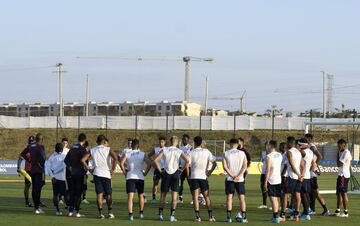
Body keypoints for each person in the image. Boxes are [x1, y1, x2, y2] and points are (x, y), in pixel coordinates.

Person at [154, 136, 190, 222]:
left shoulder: (165, 150)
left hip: (166, 173)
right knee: (174, 197)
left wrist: (160, 170)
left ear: (170, 142)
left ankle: (160, 215)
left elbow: (155, 160)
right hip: (175, 174)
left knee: (163, 195)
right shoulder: (179, 150)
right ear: (177, 143)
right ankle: (172, 216)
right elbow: (187, 160)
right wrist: (181, 169)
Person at [82, 135, 117, 219]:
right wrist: (112, 169)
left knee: (99, 194)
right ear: (104, 141)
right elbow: (115, 158)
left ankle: (100, 213)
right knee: (108, 194)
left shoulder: (93, 150)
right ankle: (110, 212)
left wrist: (89, 169)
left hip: (97, 174)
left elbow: (82, 160)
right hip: (106, 174)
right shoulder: (108, 149)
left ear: (97, 141)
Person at [120, 138, 151, 221]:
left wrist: (124, 172)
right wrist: (145, 173)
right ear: (138, 145)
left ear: (131, 145)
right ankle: (141, 213)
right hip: (140, 177)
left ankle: (130, 215)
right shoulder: (142, 154)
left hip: (130, 176)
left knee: (130, 197)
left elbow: (121, 163)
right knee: (141, 195)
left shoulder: (127, 153)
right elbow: (149, 164)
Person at [189, 136, 217, 222]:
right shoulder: (206, 151)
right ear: (201, 143)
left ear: (194, 143)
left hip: (194, 176)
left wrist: (188, 173)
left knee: (195, 197)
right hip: (203, 177)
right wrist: (210, 172)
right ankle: (210, 216)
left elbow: (188, 163)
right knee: (206, 196)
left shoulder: (191, 152)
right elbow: (214, 163)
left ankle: (197, 216)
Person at [223, 138, 248, 223]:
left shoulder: (226, 153)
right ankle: (244, 218)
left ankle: (228, 217)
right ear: (238, 144)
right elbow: (245, 166)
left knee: (229, 198)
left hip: (230, 179)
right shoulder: (242, 153)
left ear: (230, 144)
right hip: (240, 180)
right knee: (242, 198)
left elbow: (225, 167)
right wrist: (239, 176)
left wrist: (232, 176)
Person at [304, 133, 329, 216]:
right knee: (312, 193)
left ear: (309, 139)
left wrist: (314, 167)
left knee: (315, 193)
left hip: (311, 173)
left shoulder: (311, 146)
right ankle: (312, 209)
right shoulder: (308, 146)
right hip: (311, 173)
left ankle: (325, 209)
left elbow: (319, 156)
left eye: (306, 138)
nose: (304, 139)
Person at [64, 133, 88, 217]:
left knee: (72, 192)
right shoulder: (82, 149)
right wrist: (86, 170)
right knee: (78, 193)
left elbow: (65, 160)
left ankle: (70, 210)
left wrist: (69, 167)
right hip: (79, 173)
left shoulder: (72, 148)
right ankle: (77, 212)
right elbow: (85, 161)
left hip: (71, 174)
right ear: (84, 140)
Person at [284, 136, 304, 222]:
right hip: (298, 177)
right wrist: (301, 175)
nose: (286, 144)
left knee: (285, 195)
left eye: (287, 142)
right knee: (297, 195)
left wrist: (299, 174)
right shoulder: (299, 152)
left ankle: (283, 215)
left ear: (289, 143)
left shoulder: (289, 152)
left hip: (291, 176)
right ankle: (296, 216)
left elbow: (292, 165)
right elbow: (302, 164)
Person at [46, 142, 69, 216]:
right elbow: (65, 166)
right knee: (65, 195)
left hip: (55, 179)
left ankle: (57, 210)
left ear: (55, 149)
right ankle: (68, 209)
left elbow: (48, 168)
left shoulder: (51, 157)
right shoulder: (65, 156)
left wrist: (52, 177)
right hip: (62, 179)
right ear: (62, 149)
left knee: (55, 195)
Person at [263, 140, 283, 223]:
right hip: (278, 179)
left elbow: (268, 170)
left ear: (271, 145)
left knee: (273, 199)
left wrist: (265, 182)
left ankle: (275, 217)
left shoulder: (269, 156)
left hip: (271, 180)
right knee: (275, 199)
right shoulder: (279, 155)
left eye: (268, 145)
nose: (267, 147)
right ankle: (275, 216)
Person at [27, 133, 46, 214]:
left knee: (34, 189)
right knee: (38, 189)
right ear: (42, 139)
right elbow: (43, 158)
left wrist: (30, 161)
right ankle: (37, 208)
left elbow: (22, 154)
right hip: (39, 171)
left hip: (32, 170)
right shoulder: (41, 147)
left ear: (36, 139)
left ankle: (36, 207)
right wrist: (41, 165)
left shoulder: (31, 146)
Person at [334, 139, 352, 218]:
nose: (338, 147)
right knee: (338, 193)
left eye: (339, 145)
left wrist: (337, 156)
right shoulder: (341, 152)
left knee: (344, 193)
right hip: (341, 175)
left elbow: (339, 164)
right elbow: (350, 162)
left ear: (343, 145)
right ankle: (338, 210)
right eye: (337, 145)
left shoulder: (346, 153)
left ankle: (345, 212)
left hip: (343, 175)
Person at [17, 135, 35, 207]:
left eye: (32, 142)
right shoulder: (26, 149)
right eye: (30, 142)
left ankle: (37, 202)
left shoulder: (36, 149)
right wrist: (18, 167)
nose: (30, 143)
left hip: (35, 170)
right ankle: (27, 202)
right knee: (27, 186)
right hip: (28, 171)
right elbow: (20, 158)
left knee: (36, 187)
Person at [148, 136, 167, 204]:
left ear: (164, 142)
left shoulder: (167, 149)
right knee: (155, 183)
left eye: (162, 142)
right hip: (157, 169)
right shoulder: (156, 149)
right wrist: (152, 161)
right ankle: (154, 198)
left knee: (164, 184)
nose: (160, 143)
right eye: (160, 142)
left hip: (164, 169)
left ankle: (163, 199)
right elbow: (149, 155)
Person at [297, 139, 313, 221]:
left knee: (303, 195)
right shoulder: (310, 151)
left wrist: (300, 148)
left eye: (299, 145)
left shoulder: (303, 152)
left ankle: (306, 214)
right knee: (305, 194)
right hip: (307, 175)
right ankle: (305, 211)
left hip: (303, 176)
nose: (298, 146)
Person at [178, 134, 192, 203]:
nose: (184, 141)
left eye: (185, 139)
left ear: (188, 140)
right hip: (181, 168)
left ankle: (194, 198)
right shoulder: (180, 148)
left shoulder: (191, 148)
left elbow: (190, 159)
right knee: (180, 183)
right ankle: (180, 198)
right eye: (183, 139)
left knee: (190, 183)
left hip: (188, 167)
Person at [279, 142, 289, 221]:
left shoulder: (286, 154)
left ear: (283, 147)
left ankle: (283, 212)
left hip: (284, 177)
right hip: (282, 176)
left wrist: (282, 174)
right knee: (282, 194)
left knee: (284, 194)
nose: (279, 147)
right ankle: (283, 209)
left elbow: (285, 165)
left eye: (280, 146)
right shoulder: (282, 154)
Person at [259, 141, 270, 209]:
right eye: (265, 146)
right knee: (263, 187)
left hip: (270, 173)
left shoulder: (272, 154)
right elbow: (262, 160)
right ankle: (264, 204)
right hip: (263, 172)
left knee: (271, 188)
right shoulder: (263, 153)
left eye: (267, 146)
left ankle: (274, 204)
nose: (266, 147)